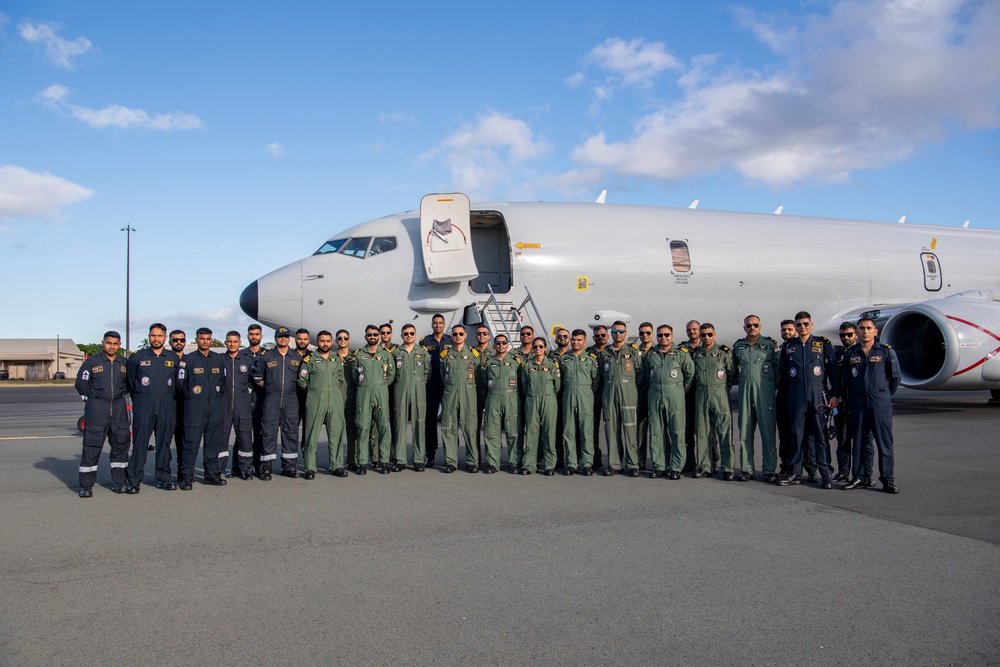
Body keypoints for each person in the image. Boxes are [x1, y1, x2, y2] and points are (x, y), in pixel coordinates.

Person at [777, 311, 840, 489]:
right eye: (799, 324)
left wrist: (835, 394)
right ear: (795, 327)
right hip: (796, 397)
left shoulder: (822, 344)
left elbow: (833, 371)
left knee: (820, 436)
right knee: (796, 435)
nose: (802, 327)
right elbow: (784, 373)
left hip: (817, 395)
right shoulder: (789, 347)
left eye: (805, 324)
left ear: (811, 325)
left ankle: (825, 473)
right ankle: (795, 472)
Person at [841, 318, 901, 493]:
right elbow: (847, 379)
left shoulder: (886, 352)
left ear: (875, 331)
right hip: (858, 404)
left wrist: (881, 394)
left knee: (885, 444)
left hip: (880, 404)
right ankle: (859, 477)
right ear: (857, 332)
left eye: (868, 328)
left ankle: (888, 480)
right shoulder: (851, 354)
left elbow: (895, 379)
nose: (865, 331)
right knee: (858, 442)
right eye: (862, 328)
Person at [125, 323, 179, 493]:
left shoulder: (173, 358)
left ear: (165, 337)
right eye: (153, 335)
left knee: (164, 444)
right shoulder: (137, 357)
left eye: (159, 336)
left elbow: (177, 385)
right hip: (144, 405)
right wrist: (142, 398)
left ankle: (163, 477)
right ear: (149, 337)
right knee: (140, 444)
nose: (156, 339)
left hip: (166, 406)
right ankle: (134, 481)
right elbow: (131, 383)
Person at [75, 331, 130, 497]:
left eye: (115, 343)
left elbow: (130, 384)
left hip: (119, 407)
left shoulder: (125, 363)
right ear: (103, 343)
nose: (111, 346)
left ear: (119, 345)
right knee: (92, 446)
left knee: (121, 444)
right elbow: (81, 383)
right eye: (108, 343)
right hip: (97, 408)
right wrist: (92, 400)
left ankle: (119, 482)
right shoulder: (92, 362)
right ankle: (86, 486)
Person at [176, 327, 228, 489]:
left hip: (214, 409)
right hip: (194, 410)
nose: (205, 341)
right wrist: (193, 399)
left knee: (213, 444)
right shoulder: (188, 360)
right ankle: (186, 476)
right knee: (190, 444)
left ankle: (211, 474)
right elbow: (180, 385)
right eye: (202, 338)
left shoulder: (218, 359)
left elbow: (223, 383)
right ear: (196, 339)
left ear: (211, 340)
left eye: (208, 339)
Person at [732, 315, 780, 482]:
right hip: (745, 393)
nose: (752, 328)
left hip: (764, 395)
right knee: (745, 433)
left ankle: (769, 470)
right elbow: (732, 371)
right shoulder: (739, 346)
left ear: (760, 326)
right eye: (749, 325)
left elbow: (778, 369)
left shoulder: (769, 345)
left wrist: (770, 387)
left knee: (768, 433)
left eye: (755, 325)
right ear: (744, 328)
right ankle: (747, 469)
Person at [642, 325, 694, 479]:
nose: (663, 338)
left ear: (672, 336)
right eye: (660, 335)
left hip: (675, 395)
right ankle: (659, 466)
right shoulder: (651, 355)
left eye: (666, 335)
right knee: (656, 432)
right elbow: (646, 374)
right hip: (655, 394)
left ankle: (676, 466)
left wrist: (678, 390)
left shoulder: (681, 354)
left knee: (677, 431)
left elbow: (690, 374)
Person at [252, 327, 303, 480]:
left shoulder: (296, 357)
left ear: (289, 338)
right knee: (268, 433)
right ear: (275, 338)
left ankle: (289, 466)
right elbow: (257, 377)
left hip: (291, 400)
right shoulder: (266, 356)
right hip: (271, 399)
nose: (283, 339)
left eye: (286, 336)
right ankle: (266, 467)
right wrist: (269, 387)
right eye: (280, 336)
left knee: (291, 432)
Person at [298, 330, 349, 479]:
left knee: (336, 432)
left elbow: (340, 378)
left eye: (327, 341)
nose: (325, 344)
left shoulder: (337, 358)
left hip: (334, 397)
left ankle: (337, 465)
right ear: (317, 342)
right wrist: (314, 392)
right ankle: (310, 467)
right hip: (315, 397)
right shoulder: (310, 359)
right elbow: (302, 381)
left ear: (331, 342)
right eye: (322, 341)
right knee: (311, 433)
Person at [691, 323, 734, 479]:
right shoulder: (696, 354)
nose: (706, 337)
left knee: (724, 432)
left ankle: (728, 467)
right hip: (701, 394)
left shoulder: (724, 352)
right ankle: (704, 466)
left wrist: (722, 389)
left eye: (709, 334)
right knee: (702, 432)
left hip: (720, 394)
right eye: (703, 335)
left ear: (714, 335)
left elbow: (732, 373)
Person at [599, 321, 642, 476]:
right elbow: (600, 376)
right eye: (615, 331)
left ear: (625, 333)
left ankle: (632, 464)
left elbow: (640, 372)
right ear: (611, 333)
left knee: (630, 429)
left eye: (621, 331)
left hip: (628, 393)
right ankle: (614, 464)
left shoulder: (632, 351)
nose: (618, 334)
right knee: (611, 429)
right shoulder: (605, 353)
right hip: (610, 393)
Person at [352, 325, 396, 474]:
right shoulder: (359, 355)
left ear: (379, 336)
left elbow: (391, 374)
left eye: (375, 334)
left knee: (383, 428)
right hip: (363, 395)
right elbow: (354, 375)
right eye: (369, 335)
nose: (372, 337)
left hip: (381, 394)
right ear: (365, 336)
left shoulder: (386, 354)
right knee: (363, 429)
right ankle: (362, 463)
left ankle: (384, 462)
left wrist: (380, 385)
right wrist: (366, 385)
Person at [440, 325, 480, 473]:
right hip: (450, 393)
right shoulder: (445, 354)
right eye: (455, 334)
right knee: (449, 428)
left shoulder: (473, 354)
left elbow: (478, 375)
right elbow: (443, 374)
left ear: (465, 336)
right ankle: (451, 462)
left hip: (468, 393)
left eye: (460, 334)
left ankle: (472, 461)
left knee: (470, 428)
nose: (457, 336)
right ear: (451, 336)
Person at [557, 329, 598, 475]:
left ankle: (587, 463)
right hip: (568, 395)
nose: (576, 342)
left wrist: (587, 393)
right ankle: (571, 463)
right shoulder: (563, 359)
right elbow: (559, 379)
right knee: (569, 430)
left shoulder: (591, 360)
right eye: (573, 339)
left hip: (585, 395)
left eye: (579, 340)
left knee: (586, 430)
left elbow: (596, 380)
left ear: (585, 342)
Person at [480, 333, 521, 474]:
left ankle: (514, 463)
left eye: (503, 343)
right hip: (493, 399)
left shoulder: (516, 362)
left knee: (513, 433)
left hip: (512, 399)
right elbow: (484, 382)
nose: (501, 345)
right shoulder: (488, 362)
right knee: (492, 433)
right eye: (498, 343)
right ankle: (493, 464)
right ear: (494, 345)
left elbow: (522, 382)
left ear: (508, 345)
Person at [392, 324, 430, 471]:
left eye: (411, 333)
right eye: (406, 334)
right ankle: (400, 459)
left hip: (418, 390)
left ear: (415, 334)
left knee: (419, 424)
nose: (409, 336)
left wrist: (418, 383)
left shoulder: (422, 352)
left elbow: (427, 371)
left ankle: (418, 459)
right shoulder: (396, 352)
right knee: (400, 425)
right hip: (400, 389)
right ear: (401, 336)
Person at [520, 337, 561, 475]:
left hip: (549, 400)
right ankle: (529, 465)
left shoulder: (552, 365)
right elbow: (524, 385)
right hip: (532, 400)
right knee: (531, 432)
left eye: (540, 347)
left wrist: (548, 395)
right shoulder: (527, 365)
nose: (538, 349)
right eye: (535, 347)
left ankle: (549, 465)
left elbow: (557, 385)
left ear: (545, 348)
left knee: (549, 433)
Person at [220, 330, 255, 480]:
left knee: (245, 439)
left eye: (235, 341)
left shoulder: (247, 360)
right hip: (224, 406)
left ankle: (245, 469)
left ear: (240, 342)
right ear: (226, 342)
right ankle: (219, 470)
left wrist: (249, 401)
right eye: (229, 341)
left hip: (243, 406)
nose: (232, 344)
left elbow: (254, 382)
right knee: (222, 440)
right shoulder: (220, 360)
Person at [419, 314, 452, 467]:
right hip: (431, 385)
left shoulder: (450, 341)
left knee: (450, 421)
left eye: (440, 323)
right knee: (430, 421)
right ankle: (430, 455)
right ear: (432, 325)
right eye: (435, 323)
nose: (438, 325)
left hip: (447, 386)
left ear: (444, 325)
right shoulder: (425, 341)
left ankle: (450, 455)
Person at [833, 322, 859, 482]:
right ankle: (843, 472)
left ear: (855, 335)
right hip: (842, 403)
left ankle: (863, 474)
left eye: (849, 334)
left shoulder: (862, 352)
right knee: (842, 440)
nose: (846, 338)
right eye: (843, 335)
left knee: (863, 441)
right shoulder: (836, 354)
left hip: (859, 402)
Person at [241, 323, 267, 477]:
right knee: (242, 434)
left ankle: (257, 465)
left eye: (257, 334)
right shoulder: (241, 354)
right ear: (248, 336)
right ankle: (239, 466)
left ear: (261, 336)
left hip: (261, 398)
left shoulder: (268, 354)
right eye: (251, 334)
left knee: (259, 434)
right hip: (244, 398)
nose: (254, 337)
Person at [587, 325, 609, 469]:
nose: (600, 337)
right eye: (596, 336)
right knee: (592, 426)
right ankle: (594, 456)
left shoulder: (612, 351)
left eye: (602, 335)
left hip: (609, 390)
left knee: (611, 425)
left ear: (607, 336)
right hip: (593, 392)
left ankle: (615, 459)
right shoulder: (589, 352)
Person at [776, 319, 796, 477]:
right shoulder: (779, 349)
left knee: (801, 433)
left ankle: (808, 468)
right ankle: (786, 465)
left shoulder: (802, 348)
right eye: (784, 330)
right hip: (783, 395)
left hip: (797, 396)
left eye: (789, 329)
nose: (786, 332)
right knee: (784, 433)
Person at [473, 324, 495, 463]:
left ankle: (492, 459)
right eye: (479, 334)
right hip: (474, 391)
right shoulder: (470, 352)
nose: (482, 336)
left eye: (485, 333)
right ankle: (475, 459)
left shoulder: (495, 351)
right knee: (473, 427)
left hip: (490, 392)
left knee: (491, 427)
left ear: (489, 335)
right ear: (476, 336)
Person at [634, 322, 655, 470]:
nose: (644, 335)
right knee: (640, 430)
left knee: (658, 429)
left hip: (656, 393)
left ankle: (660, 461)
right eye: (642, 333)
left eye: (647, 333)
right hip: (640, 392)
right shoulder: (634, 351)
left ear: (652, 334)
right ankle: (640, 461)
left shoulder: (659, 350)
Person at [169, 329, 188, 480]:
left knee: (183, 441)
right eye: (175, 340)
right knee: (164, 441)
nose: (178, 342)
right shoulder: (164, 359)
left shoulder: (189, 360)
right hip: (167, 405)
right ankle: (164, 473)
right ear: (170, 341)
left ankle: (183, 472)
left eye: (181, 339)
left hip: (185, 407)